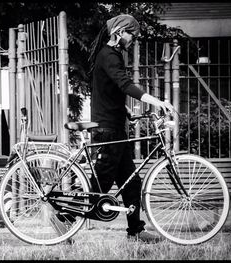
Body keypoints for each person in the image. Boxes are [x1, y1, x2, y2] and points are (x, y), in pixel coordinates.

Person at [88, 14, 174, 242]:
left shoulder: (110, 55)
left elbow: (109, 90)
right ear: (118, 32)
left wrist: (126, 112)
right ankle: (64, 219)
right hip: (108, 130)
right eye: (131, 34)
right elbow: (125, 85)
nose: (133, 39)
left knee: (132, 181)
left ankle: (135, 230)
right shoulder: (109, 56)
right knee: (100, 184)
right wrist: (158, 102)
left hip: (115, 128)